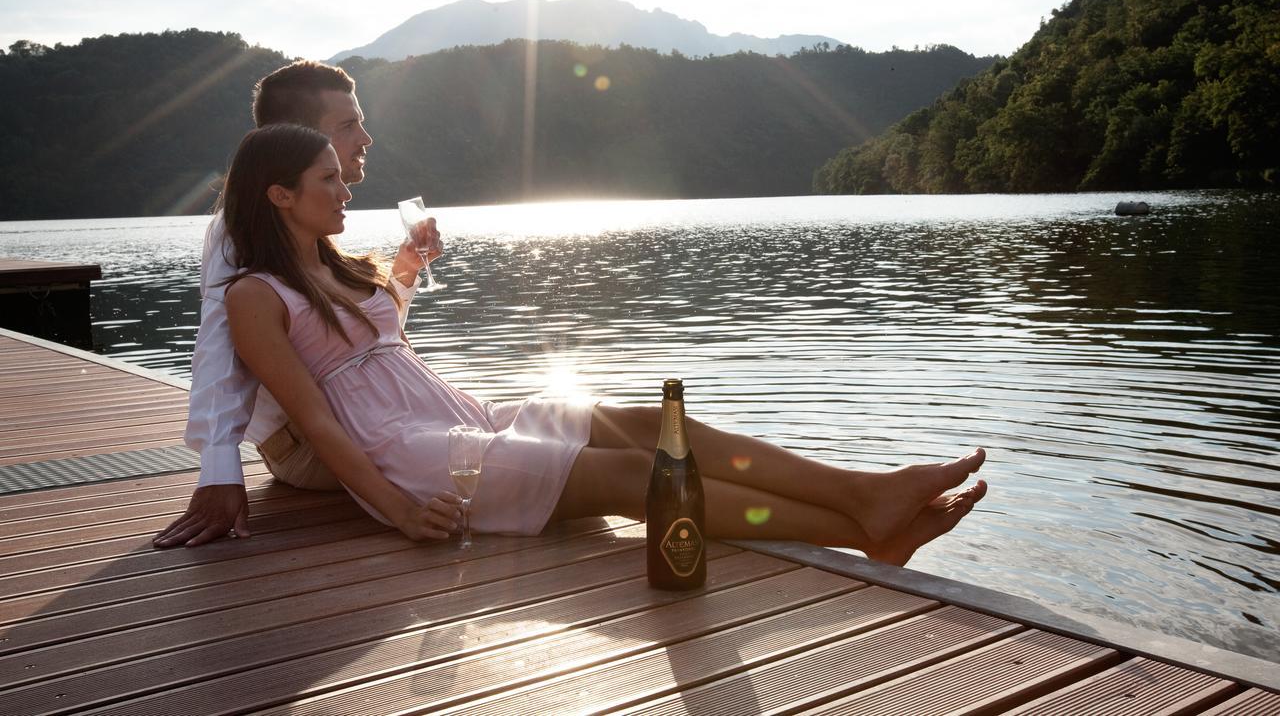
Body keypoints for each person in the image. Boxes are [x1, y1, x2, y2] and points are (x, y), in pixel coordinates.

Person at [213, 123, 988, 564]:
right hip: (407, 456)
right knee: (626, 476)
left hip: (465, 414)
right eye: (326, 179)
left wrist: (408, 269)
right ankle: (855, 531)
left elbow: (376, 345)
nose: (344, 186)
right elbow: (318, 418)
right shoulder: (253, 296)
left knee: (652, 426)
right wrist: (392, 507)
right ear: (280, 195)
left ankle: (861, 492)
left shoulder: (337, 267)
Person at [154, 61, 441, 548]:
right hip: (313, 446)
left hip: (360, 418)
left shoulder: (309, 225)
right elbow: (220, 347)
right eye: (348, 125)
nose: (365, 138)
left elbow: (363, 345)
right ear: (299, 136)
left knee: (519, 432)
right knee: (488, 453)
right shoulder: (238, 232)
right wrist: (219, 470)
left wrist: (405, 273)